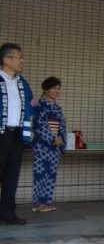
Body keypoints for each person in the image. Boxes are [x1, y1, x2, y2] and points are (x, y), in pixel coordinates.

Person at [0, 43, 33, 225]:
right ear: (6, 60)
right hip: (1, 133)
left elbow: (30, 104)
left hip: (16, 135)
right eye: (19, 57)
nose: (22, 61)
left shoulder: (22, 82)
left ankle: (7, 212)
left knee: (12, 175)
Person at [31, 77, 67, 212]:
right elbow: (38, 126)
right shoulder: (39, 106)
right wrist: (53, 138)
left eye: (58, 88)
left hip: (55, 146)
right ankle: (37, 203)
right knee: (40, 173)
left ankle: (47, 202)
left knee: (51, 173)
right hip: (43, 145)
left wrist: (61, 140)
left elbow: (62, 126)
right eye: (54, 88)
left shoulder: (58, 108)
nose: (57, 91)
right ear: (46, 90)